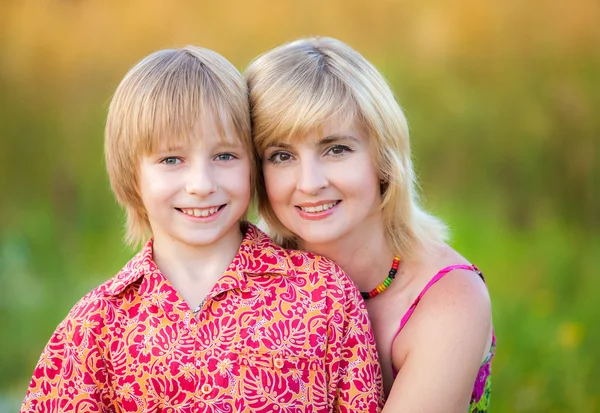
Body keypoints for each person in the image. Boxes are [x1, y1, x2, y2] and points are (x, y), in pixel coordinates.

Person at [20, 45, 384, 413]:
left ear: (252, 166)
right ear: (131, 173)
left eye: (224, 156)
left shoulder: (323, 295)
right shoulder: (94, 327)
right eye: (171, 159)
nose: (201, 184)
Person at [246, 37, 495, 413]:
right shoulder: (243, 272)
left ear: (384, 158)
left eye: (336, 149)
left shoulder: (449, 299)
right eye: (281, 155)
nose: (310, 182)